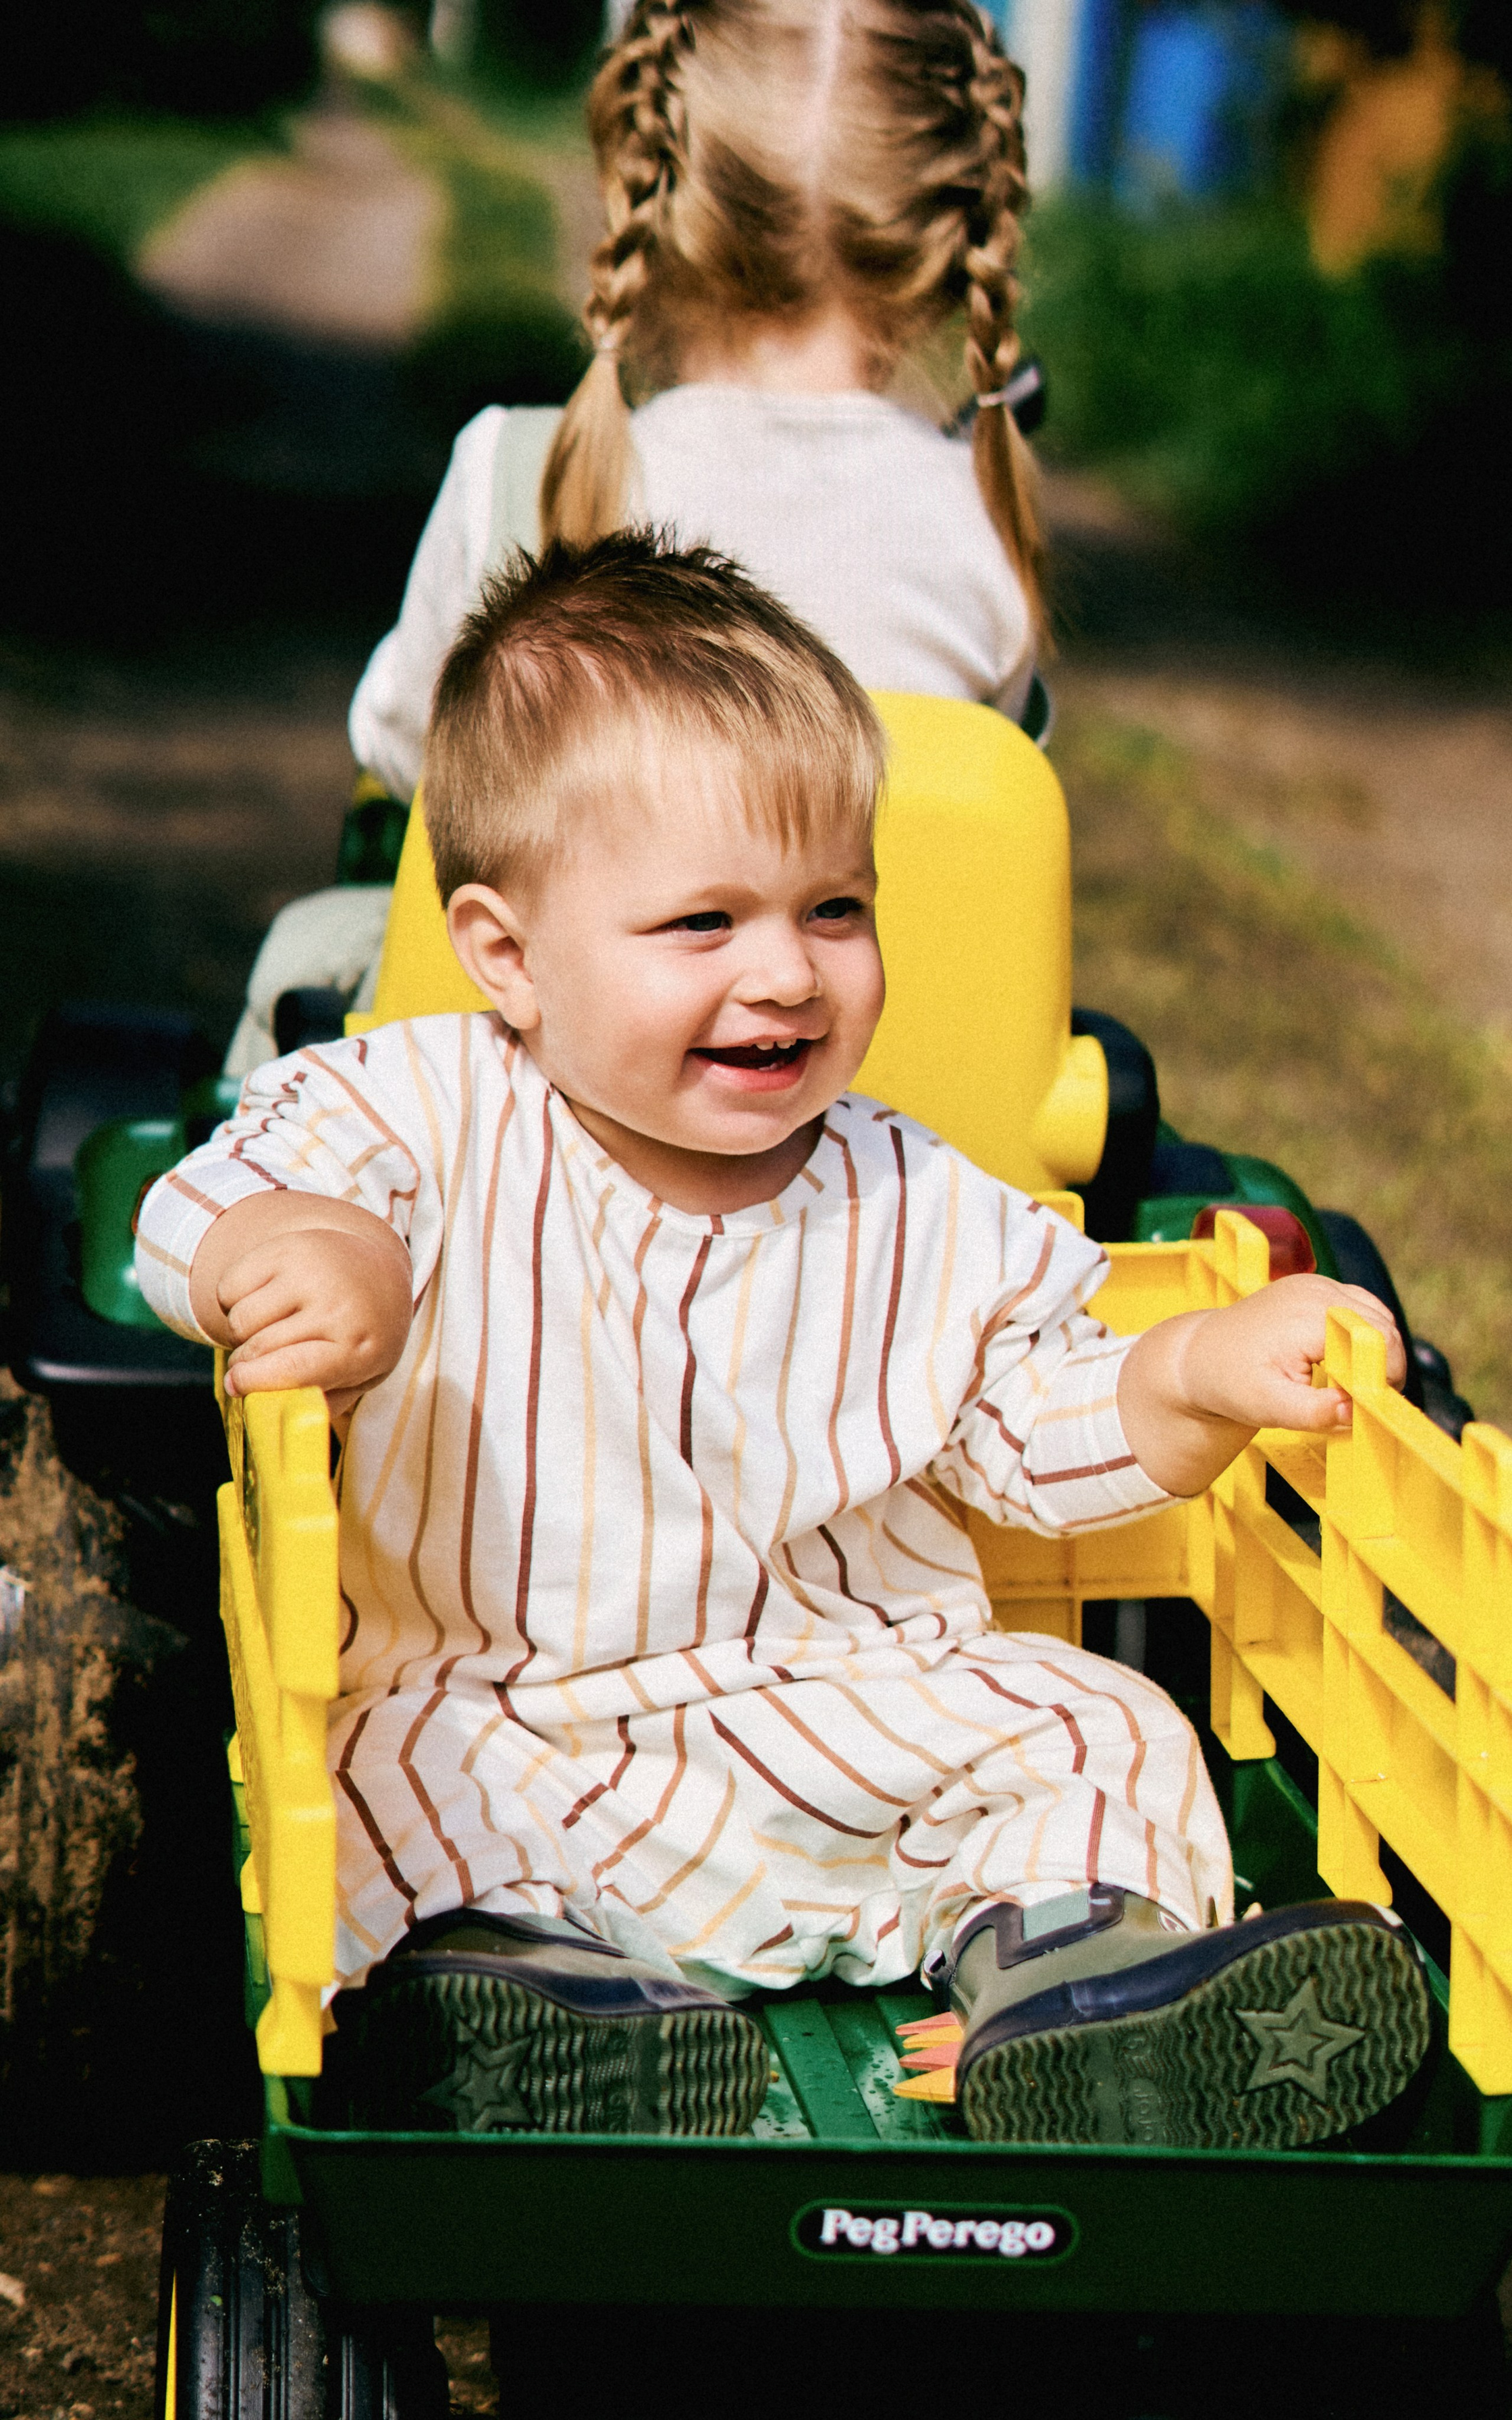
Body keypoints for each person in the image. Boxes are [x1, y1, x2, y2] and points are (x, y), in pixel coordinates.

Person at [140, 535, 1430, 2149]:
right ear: (506, 954)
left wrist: (1186, 1374)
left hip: (845, 1701)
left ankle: (1074, 1989)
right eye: (703, 922)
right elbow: (214, 1199)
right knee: (389, 1773)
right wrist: (310, 1254)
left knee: (1097, 1720)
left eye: (835, 907)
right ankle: (544, 2007)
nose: (787, 971)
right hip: (519, 1715)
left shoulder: (907, 1189)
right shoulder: (418, 1111)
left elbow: (1027, 1423)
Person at [227, 0, 1047, 1077]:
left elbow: (403, 752)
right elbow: (981, 824)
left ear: (648, 189)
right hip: (858, 1104)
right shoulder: (983, 520)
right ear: (955, 231)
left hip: (534, 1108)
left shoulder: (519, 478)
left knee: (309, 955)